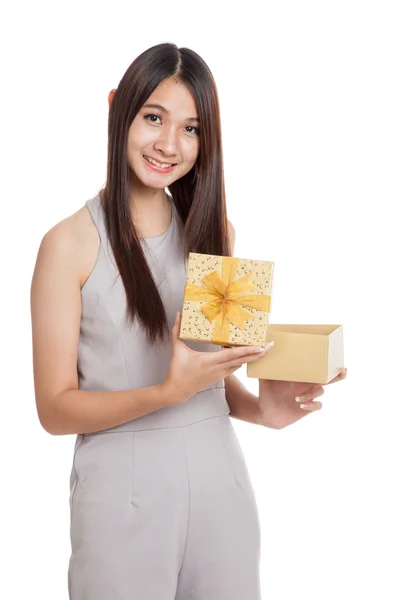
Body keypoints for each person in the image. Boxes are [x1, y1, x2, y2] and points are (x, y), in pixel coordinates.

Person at [30, 42, 347, 600]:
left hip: (220, 483)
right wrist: (165, 392)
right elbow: (55, 410)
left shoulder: (215, 232)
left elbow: (210, 372)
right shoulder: (68, 245)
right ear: (116, 109)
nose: (169, 145)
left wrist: (262, 408)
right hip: (121, 495)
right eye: (153, 117)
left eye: (191, 128)